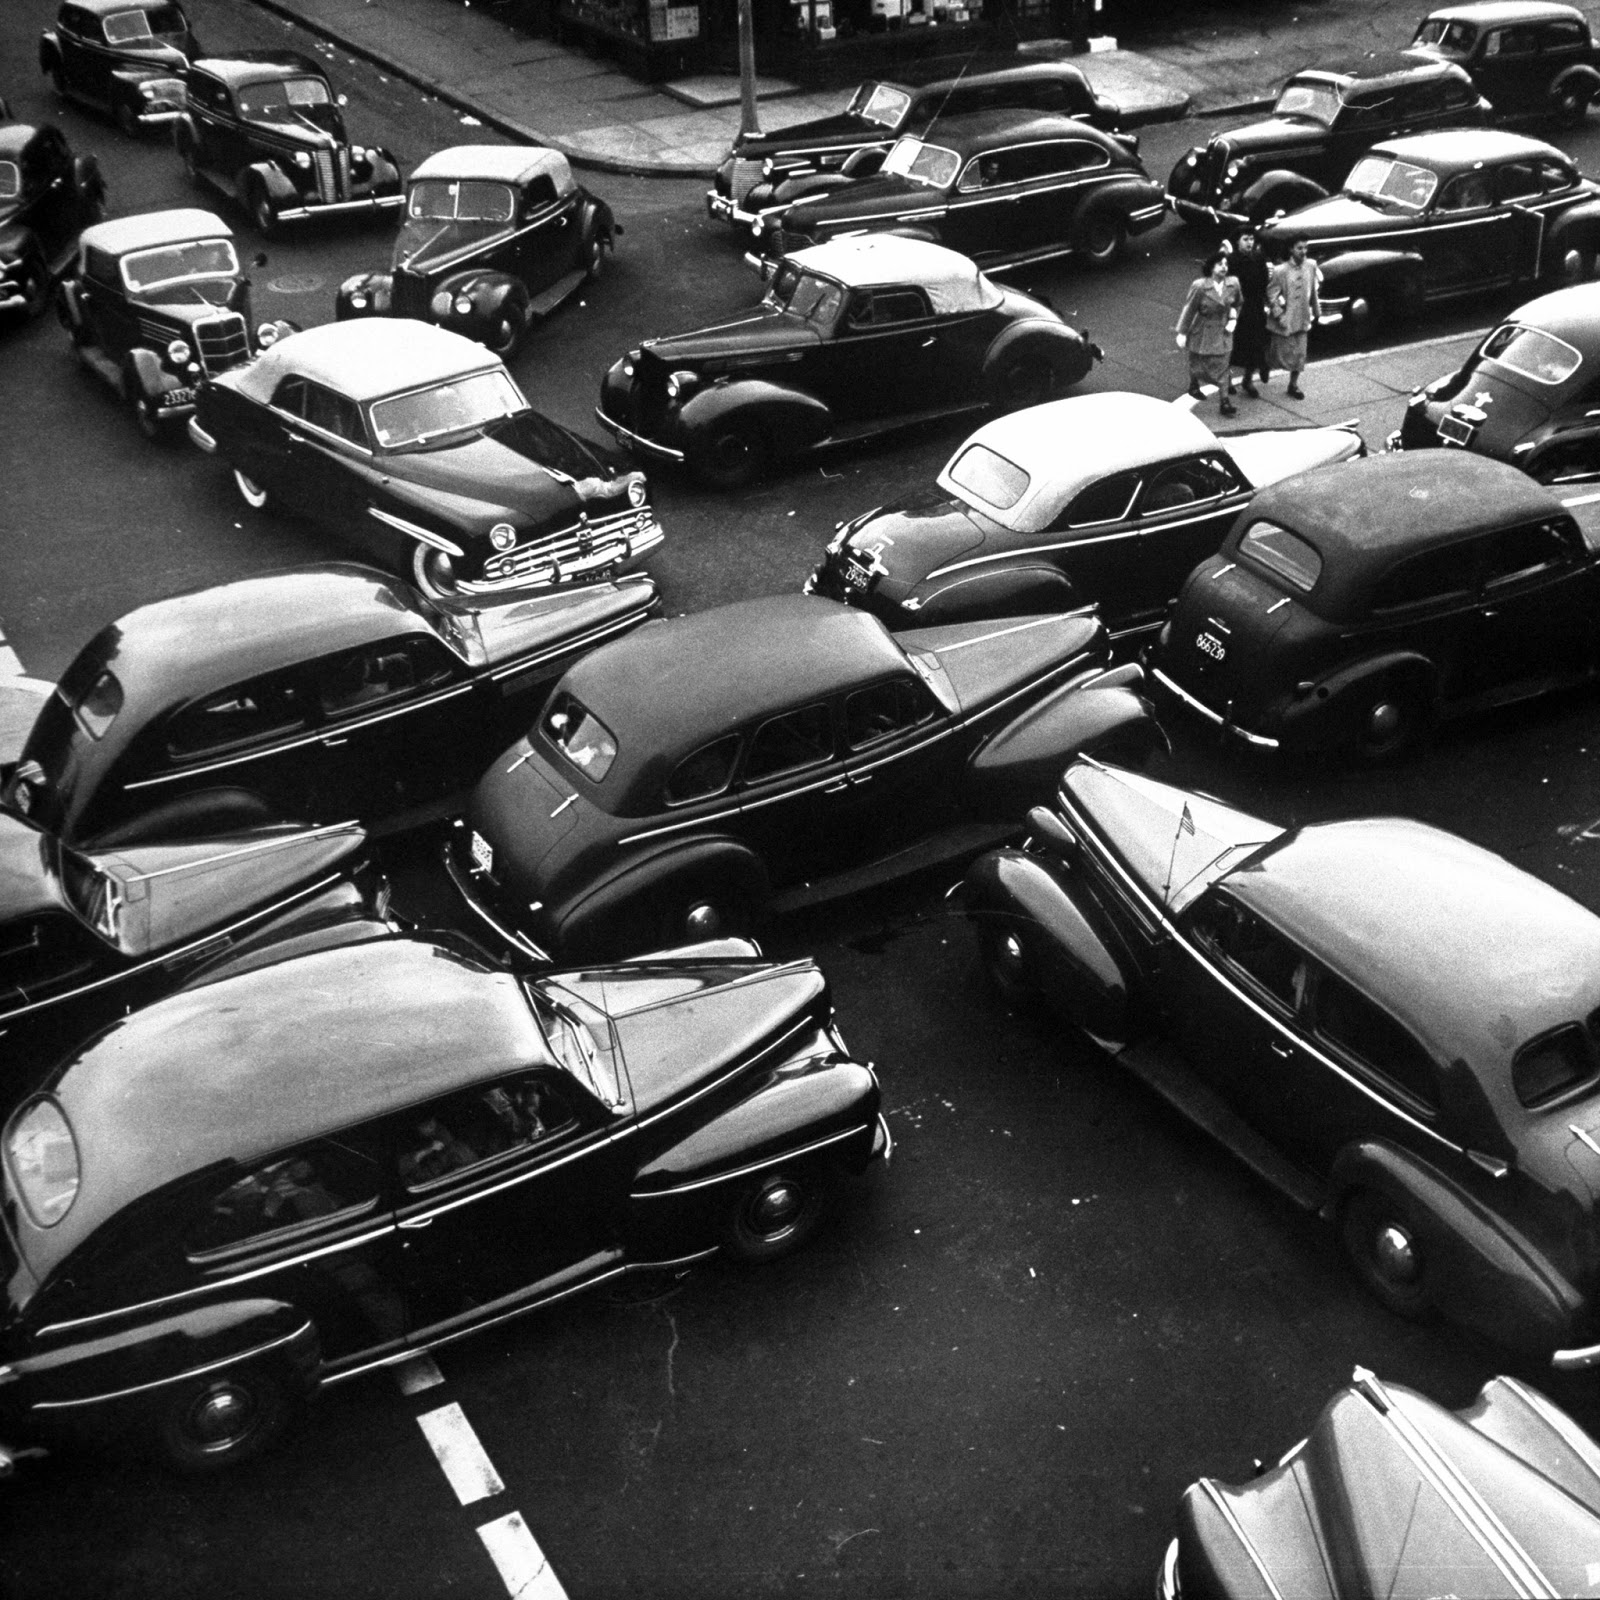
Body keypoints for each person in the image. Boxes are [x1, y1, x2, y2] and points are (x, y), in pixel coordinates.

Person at [1175, 249, 1242, 417]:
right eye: (1220, 264)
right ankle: (1193, 384)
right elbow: (1189, 309)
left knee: (1222, 365)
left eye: (1226, 264)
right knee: (1198, 362)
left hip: (1223, 330)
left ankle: (1224, 402)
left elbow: (1238, 303)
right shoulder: (1200, 286)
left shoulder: (1233, 284)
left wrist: (1233, 317)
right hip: (1202, 329)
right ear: (1211, 267)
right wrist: (1182, 332)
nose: (1224, 267)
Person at [1266, 236, 1323, 401]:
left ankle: (1293, 385)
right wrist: (1279, 315)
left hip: (1303, 316)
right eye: (1300, 248)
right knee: (1278, 355)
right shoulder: (1280, 271)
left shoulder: (1311, 265)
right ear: (1291, 249)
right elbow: (1272, 295)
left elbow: (1313, 290)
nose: (1303, 251)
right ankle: (1263, 367)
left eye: (1305, 248)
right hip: (1286, 319)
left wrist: (1316, 310)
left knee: (1300, 354)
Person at [1230, 229, 1271, 397]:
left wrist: (1265, 302)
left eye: (1251, 239)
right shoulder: (1230, 261)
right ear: (1238, 241)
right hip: (1237, 309)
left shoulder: (1259, 258)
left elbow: (1264, 281)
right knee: (1232, 346)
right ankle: (1226, 379)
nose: (1249, 242)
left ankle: (1248, 379)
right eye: (1245, 239)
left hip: (1254, 307)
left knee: (1256, 344)